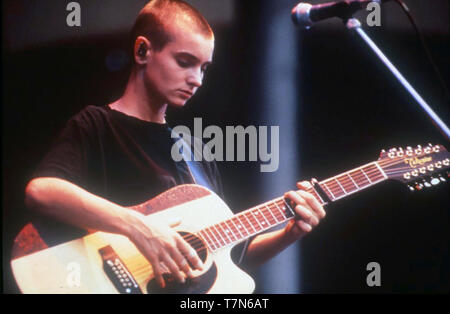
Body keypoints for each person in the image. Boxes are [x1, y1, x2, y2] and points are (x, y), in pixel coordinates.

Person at [24, 0, 326, 290]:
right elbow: (42, 191)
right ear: (143, 50)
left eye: (204, 68)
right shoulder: (96, 125)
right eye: (185, 62)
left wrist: (290, 232)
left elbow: (233, 255)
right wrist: (141, 229)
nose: (197, 80)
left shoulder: (195, 152)